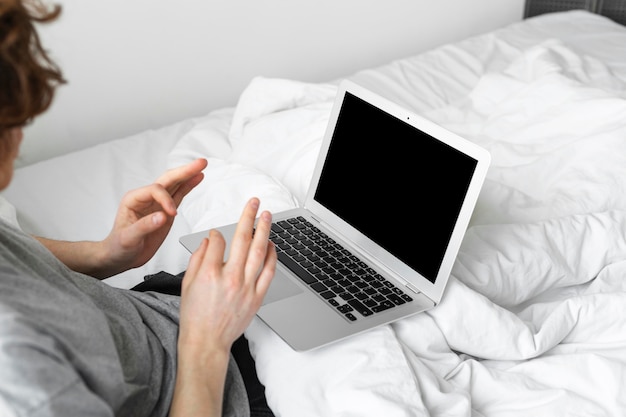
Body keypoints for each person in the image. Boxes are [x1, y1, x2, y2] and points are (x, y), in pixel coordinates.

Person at [0, 1, 277, 416]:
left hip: (158, 321)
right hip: (207, 383)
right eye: (14, 119)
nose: (21, 134)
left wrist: (106, 254)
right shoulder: (22, 382)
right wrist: (206, 343)